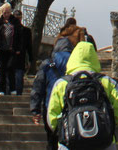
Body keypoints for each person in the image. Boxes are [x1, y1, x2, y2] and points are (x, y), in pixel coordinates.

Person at [47, 41, 118, 150]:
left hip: (70, 143)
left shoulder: (62, 84)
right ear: (94, 58)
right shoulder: (107, 83)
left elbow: (52, 116)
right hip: (103, 143)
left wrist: (64, 134)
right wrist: (113, 136)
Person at [30, 19, 82, 150]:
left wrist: (35, 110)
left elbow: (37, 88)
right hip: (72, 109)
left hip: (51, 109)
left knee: (52, 142)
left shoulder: (48, 63)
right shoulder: (76, 65)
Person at [0, 2, 23, 95]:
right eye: (5, 13)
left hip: (12, 49)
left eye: (8, 12)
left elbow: (19, 36)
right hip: (1, 49)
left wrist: (18, 48)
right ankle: (1, 90)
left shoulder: (15, 22)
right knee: (2, 69)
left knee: (11, 68)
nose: (7, 14)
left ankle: (13, 89)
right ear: (2, 13)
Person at [12, 9, 34, 95]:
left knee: (18, 76)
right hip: (11, 56)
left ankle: (17, 94)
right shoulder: (9, 29)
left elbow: (29, 46)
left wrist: (30, 59)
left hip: (20, 57)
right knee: (13, 77)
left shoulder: (26, 31)